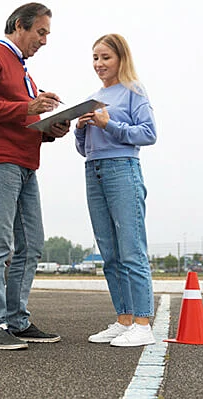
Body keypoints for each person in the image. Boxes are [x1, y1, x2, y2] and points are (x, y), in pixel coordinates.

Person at [0, 2, 70, 350]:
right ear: (19, 26)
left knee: (32, 244)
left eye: (47, 34)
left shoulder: (24, 73)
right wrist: (29, 106)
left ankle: (16, 321)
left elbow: (22, 119)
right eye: (40, 32)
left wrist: (52, 128)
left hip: (25, 164)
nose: (44, 41)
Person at [74, 34, 158, 347]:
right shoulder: (93, 96)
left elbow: (148, 134)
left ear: (121, 58)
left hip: (122, 169)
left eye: (105, 57)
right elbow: (85, 150)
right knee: (109, 252)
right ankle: (123, 319)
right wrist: (80, 129)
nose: (99, 64)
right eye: (95, 58)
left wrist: (109, 124)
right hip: (93, 171)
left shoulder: (134, 91)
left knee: (131, 249)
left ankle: (142, 322)